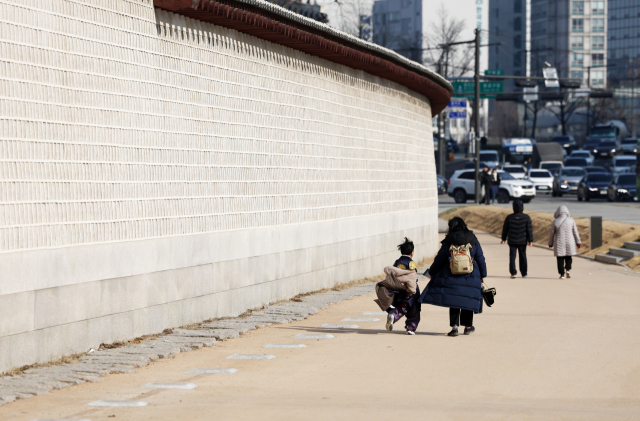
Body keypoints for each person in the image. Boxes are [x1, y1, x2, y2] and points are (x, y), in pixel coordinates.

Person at [420, 217, 487, 336]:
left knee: (454, 300)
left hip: (452, 274)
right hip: (470, 274)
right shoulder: (473, 239)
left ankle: (455, 327)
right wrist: (483, 274)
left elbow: (439, 259)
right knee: (467, 299)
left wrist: (432, 271)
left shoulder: (448, 240)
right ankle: (468, 326)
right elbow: (480, 258)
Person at [379, 238, 421, 335]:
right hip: (408, 290)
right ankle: (410, 327)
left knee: (401, 306)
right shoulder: (411, 263)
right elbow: (411, 279)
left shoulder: (396, 262)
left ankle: (393, 316)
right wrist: (410, 292)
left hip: (397, 289)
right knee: (413, 309)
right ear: (412, 253)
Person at [501, 199, 533, 278]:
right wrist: (530, 240)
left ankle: (513, 272)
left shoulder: (509, 217)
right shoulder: (526, 217)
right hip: (522, 240)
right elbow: (529, 230)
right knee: (523, 256)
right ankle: (524, 272)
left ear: (513, 207)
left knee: (512, 256)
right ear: (522, 207)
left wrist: (503, 238)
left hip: (512, 240)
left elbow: (505, 229)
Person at [548, 205, 581, 279]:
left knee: (560, 258)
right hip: (570, 241)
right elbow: (575, 232)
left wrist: (550, 243)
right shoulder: (571, 220)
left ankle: (562, 274)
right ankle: (568, 269)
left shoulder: (555, 221)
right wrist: (578, 242)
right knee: (569, 256)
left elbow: (552, 233)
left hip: (559, 242)